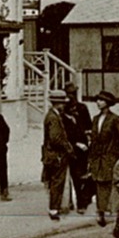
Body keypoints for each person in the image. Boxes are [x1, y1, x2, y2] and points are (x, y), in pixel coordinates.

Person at [87, 90, 119, 227]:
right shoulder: (95, 119)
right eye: (97, 100)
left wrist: (117, 154)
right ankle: (102, 211)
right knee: (99, 184)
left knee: (107, 184)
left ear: (107, 103)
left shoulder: (115, 119)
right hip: (97, 158)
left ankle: (106, 210)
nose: (98, 103)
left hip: (109, 157)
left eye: (101, 100)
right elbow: (94, 140)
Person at [62, 83, 94, 215]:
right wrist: (75, 144)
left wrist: (89, 138)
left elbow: (88, 125)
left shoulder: (82, 108)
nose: (71, 97)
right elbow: (63, 133)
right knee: (74, 176)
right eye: (69, 94)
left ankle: (85, 199)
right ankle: (76, 202)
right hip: (70, 147)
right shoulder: (63, 111)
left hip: (84, 147)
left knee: (84, 175)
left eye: (73, 93)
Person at [41, 89, 72, 220]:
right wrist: (68, 147)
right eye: (62, 103)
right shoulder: (54, 117)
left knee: (54, 182)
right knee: (57, 182)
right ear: (57, 103)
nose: (64, 105)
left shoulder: (51, 115)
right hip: (57, 155)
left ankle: (54, 208)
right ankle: (54, 209)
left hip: (51, 154)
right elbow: (55, 138)